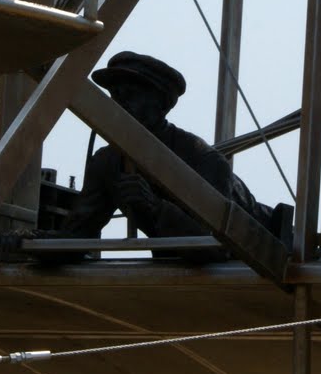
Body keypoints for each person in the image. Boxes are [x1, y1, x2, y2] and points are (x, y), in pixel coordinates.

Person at [39, 51, 286, 263]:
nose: (118, 104)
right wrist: (34, 244)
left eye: (130, 95)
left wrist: (156, 207)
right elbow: (79, 234)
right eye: (115, 96)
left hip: (265, 255)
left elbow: (214, 247)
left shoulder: (203, 159)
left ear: (160, 105)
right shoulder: (107, 162)